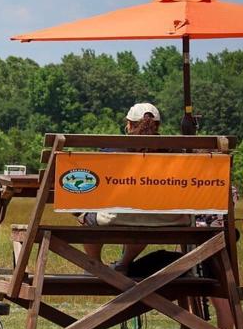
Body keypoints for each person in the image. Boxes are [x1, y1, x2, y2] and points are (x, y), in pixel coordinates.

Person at [79, 102, 192, 272]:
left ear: (129, 125)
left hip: (116, 218)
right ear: (157, 126)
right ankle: (123, 264)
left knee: (88, 217)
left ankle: (95, 266)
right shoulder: (176, 153)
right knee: (145, 217)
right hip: (168, 219)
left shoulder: (113, 151)